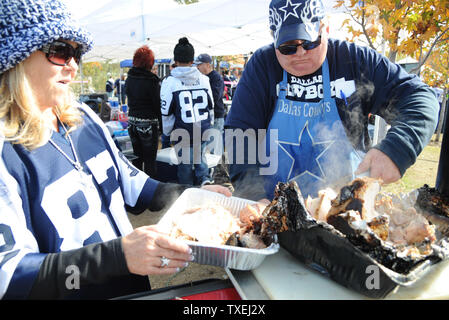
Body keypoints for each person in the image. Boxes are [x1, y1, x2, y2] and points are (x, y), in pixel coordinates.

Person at [0, 0, 231, 300]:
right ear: (14, 57)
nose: (73, 65)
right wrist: (117, 257)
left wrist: (190, 195)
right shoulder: (6, 150)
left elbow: (131, 183)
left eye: (77, 53)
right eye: (60, 51)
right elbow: (11, 279)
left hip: (133, 290)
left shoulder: (84, 116)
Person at [224, 0, 439, 201]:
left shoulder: (354, 60)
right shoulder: (262, 65)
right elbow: (241, 132)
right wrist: (252, 195)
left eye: (309, 42)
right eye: (288, 47)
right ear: (274, 39)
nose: (300, 53)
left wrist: (398, 148)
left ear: (325, 29)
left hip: (346, 209)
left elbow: (419, 97)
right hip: (273, 209)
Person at [160, 37, 215, 186]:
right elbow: (211, 107)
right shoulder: (204, 79)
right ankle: (205, 186)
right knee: (201, 163)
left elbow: (166, 113)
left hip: (182, 131)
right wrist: (208, 126)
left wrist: (167, 132)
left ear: (175, 61)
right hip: (202, 129)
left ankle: (188, 194)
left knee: (184, 169)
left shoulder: (169, 82)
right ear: (192, 61)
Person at [125, 45, 161, 177]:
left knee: (137, 160)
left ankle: (137, 190)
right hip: (148, 124)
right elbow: (157, 105)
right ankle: (152, 193)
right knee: (150, 162)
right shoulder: (151, 81)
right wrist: (162, 126)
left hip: (132, 123)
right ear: (149, 63)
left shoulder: (129, 78)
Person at [194, 53, 225, 149]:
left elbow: (214, 97)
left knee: (214, 148)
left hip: (216, 116)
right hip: (204, 116)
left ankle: (218, 164)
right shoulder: (200, 78)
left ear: (207, 64)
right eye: (197, 64)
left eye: (199, 64)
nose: (197, 67)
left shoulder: (216, 77)